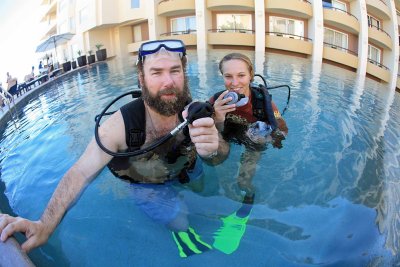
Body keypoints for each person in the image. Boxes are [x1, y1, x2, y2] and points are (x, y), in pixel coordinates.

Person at [0, 39, 230, 253]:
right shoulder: (118, 127)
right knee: (180, 221)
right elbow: (80, 172)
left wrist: (214, 147)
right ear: (141, 79)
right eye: (156, 72)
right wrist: (44, 224)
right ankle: (181, 233)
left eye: (175, 71)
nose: (168, 81)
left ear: (184, 74)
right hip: (146, 184)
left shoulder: (194, 111)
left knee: (206, 193)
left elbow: (221, 153)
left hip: (184, 167)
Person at [207, 53, 289, 254]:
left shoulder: (264, 103)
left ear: (251, 75)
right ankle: (226, 204)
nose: (234, 83)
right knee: (217, 164)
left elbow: (283, 131)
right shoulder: (216, 100)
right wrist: (217, 116)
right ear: (222, 77)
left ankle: (244, 207)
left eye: (241, 75)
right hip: (226, 135)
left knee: (244, 179)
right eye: (228, 76)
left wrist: (266, 137)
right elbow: (209, 133)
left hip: (252, 139)